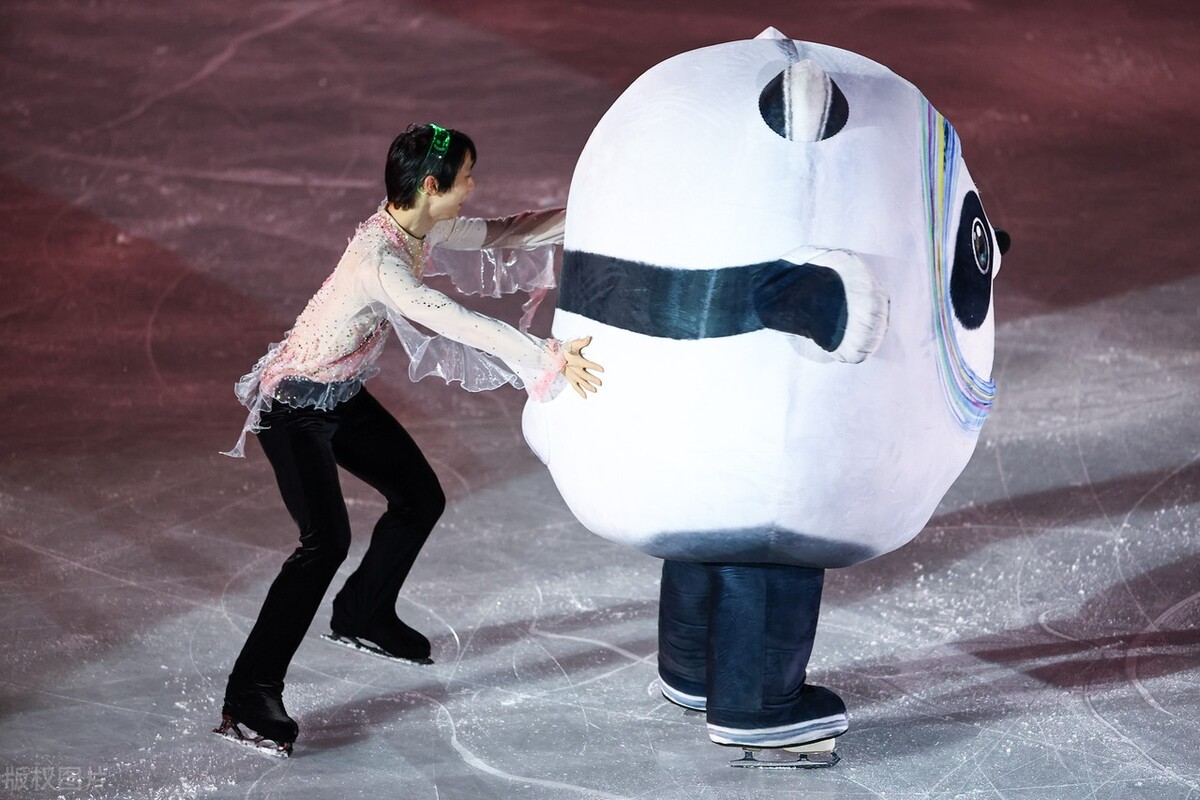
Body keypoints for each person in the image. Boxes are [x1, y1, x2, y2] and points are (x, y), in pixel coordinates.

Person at [212, 123, 602, 757]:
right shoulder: (381, 261)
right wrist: (543, 354)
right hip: (293, 409)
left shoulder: (423, 226)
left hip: (340, 396)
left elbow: (504, 231)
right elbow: (451, 319)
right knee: (325, 541)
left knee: (419, 498)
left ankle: (363, 612)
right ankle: (249, 694)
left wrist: (593, 215)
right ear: (430, 186)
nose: (474, 187)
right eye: (467, 177)